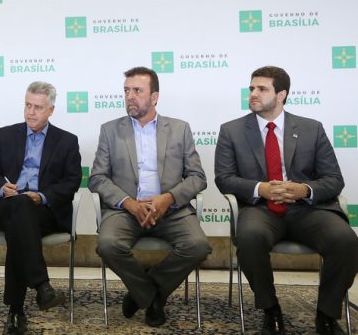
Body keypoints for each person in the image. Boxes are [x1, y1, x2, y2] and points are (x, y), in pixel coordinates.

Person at [215, 66, 357, 335]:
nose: (253, 93)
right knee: (250, 238)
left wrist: (304, 189)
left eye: (262, 89)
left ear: (281, 95)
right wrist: (261, 188)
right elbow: (224, 179)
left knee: (345, 240)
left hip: (308, 210)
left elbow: (334, 179)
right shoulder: (231, 130)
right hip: (260, 209)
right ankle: (270, 309)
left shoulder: (311, 129)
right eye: (251, 88)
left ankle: (327, 315)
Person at [89, 66, 211, 328]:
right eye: (126, 91)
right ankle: (151, 298)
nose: (130, 96)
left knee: (198, 245)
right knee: (108, 244)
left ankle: (141, 291)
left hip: (171, 210)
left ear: (154, 97)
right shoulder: (110, 130)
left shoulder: (179, 129)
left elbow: (197, 177)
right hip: (125, 211)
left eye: (137, 91)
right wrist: (130, 204)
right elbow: (97, 178)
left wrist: (168, 198)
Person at [0, 81, 82, 335]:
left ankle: (16, 310)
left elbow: (72, 182)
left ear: (51, 110)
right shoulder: (6, 134)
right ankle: (41, 286)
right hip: (7, 205)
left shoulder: (67, 141)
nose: (30, 112)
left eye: (37, 107)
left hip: (44, 211)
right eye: (27, 105)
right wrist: (1, 188)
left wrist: (43, 196)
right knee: (19, 208)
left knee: (21, 222)